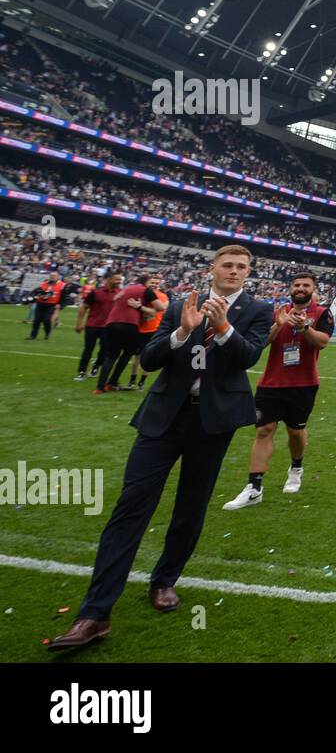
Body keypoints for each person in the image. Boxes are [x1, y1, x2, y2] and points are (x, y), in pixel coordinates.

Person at [48, 245, 273, 651]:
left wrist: (222, 328)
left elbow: (248, 356)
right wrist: (183, 332)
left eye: (242, 267)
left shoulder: (258, 309)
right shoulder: (181, 304)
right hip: (164, 417)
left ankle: (164, 579)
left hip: (213, 423)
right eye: (228, 265)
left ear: (248, 273)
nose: (234, 271)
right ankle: (95, 613)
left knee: (191, 506)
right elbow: (149, 359)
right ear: (213, 269)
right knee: (131, 506)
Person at [223, 273, 334, 510]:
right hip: (271, 382)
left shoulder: (321, 313)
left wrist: (304, 328)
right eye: (297, 285)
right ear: (291, 288)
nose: (301, 288)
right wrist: (278, 325)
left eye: (306, 285)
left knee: (295, 432)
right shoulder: (277, 311)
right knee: (264, 430)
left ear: (313, 290)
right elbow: (260, 343)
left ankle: (296, 468)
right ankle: (254, 487)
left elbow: (322, 342)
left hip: (303, 384)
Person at [95, 275, 165, 394]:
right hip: (130, 324)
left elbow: (115, 298)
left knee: (111, 356)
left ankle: (100, 387)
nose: (152, 285)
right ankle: (112, 382)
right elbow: (160, 307)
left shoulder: (126, 289)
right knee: (126, 355)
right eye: (151, 282)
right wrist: (141, 307)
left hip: (112, 323)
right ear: (146, 282)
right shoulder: (145, 290)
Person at [74, 271, 121, 380]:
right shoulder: (95, 292)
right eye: (117, 279)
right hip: (92, 325)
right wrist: (79, 324)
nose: (119, 282)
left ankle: (97, 365)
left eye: (120, 280)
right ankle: (82, 371)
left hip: (109, 327)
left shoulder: (120, 293)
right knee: (88, 349)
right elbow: (84, 307)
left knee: (105, 349)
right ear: (109, 279)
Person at [128, 275, 169, 391]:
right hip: (139, 328)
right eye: (152, 282)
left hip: (153, 329)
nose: (154, 284)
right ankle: (132, 380)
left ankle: (142, 382)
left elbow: (161, 309)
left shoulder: (161, 296)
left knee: (148, 356)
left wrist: (142, 308)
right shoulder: (142, 293)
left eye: (156, 283)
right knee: (136, 356)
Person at [26, 268, 65, 340]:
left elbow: (64, 296)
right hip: (40, 304)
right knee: (36, 320)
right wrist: (31, 301)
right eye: (51, 276)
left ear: (57, 277)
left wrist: (60, 305)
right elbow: (36, 292)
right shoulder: (44, 283)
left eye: (54, 276)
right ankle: (33, 336)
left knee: (47, 319)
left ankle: (47, 333)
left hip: (51, 305)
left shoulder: (62, 285)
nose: (52, 277)